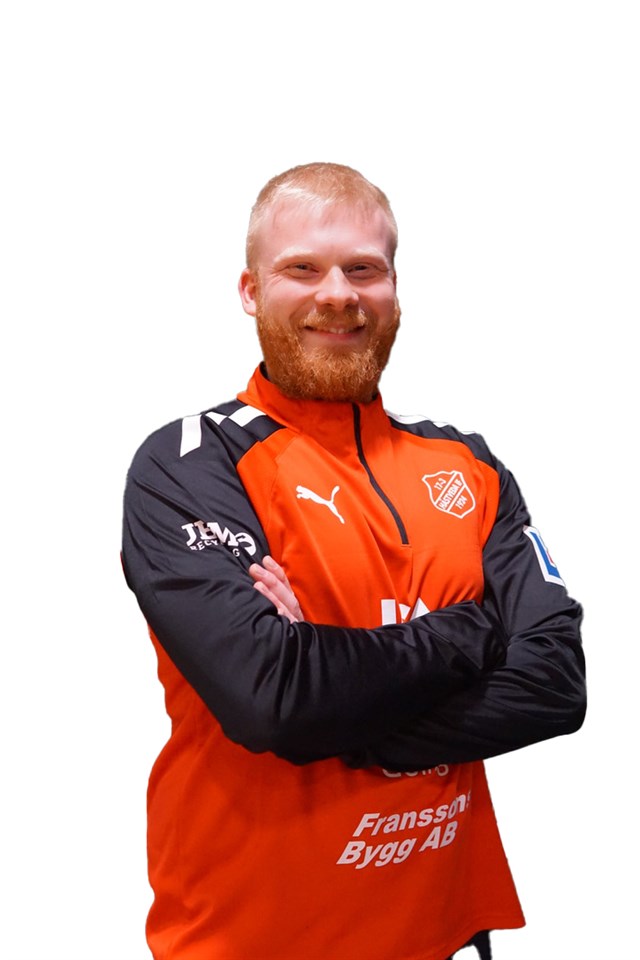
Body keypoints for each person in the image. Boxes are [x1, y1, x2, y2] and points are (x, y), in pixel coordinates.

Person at [122, 162, 586, 960]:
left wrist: (348, 725)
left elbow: (555, 684)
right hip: (246, 943)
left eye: (363, 269)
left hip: (444, 934)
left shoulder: (467, 466)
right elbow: (272, 701)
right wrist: (473, 632)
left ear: (395, 290)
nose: (338, 294)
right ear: (251, 291)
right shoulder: (191, 462)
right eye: (302, 268)